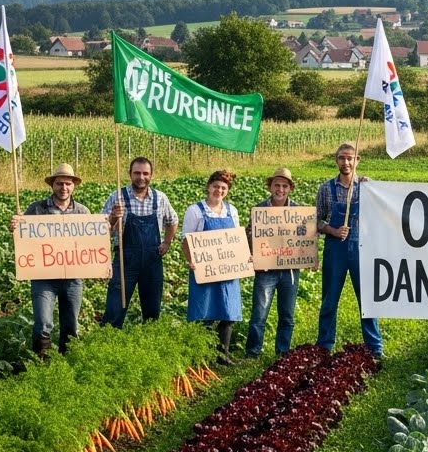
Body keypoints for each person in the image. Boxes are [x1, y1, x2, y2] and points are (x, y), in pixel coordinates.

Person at [11, 163, 91, 357]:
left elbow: (91, 242)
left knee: (71, 323)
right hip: (43, 277)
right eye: (59, 183)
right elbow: (23, 237)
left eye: (68, 184)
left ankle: (67, 359)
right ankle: (42, 362)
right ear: (52, 185)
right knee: (43, 322)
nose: (63, 188)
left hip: (72, 278)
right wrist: (15, 226)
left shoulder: (83, 212)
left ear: (74, 186)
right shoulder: (37, 209)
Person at [316, 143, 383, 358]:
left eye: (350, 158)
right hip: (335, 249)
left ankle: (375, 347)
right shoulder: (326, 189)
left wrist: (373, 188)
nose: (346, 162)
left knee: (367, 299)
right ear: (336, 160)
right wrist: (332, 230)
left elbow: (380, 214)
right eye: (342, 158)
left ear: (357, 160)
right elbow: (316, 221)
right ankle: (324, 346)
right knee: (329, 299)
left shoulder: (367, 187)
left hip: (360, 248)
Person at [244, 167, 313, 358]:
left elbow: (307, 236)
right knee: (259, 314)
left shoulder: (299, 211)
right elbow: (250, 234)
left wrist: (310, 256)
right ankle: (252, 353)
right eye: (277, 185)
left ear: (290, 188)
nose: (280, 189)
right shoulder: (260, 210)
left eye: (284, 186)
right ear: (270, 186)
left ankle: (282, 353)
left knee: (287, 315)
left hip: (290, 269)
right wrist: (251, 253)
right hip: (266, 269)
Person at [102, 156, 178, 327]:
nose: (141, 177)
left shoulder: (160, 198)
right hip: (124, 259)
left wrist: (166, 242)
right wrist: (113, 217)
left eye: (145, 173)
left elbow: (172, 220)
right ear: (130, 174)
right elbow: (103, 230)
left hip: (152, 261)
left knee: (152, 309)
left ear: (151, 175)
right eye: (137, 173)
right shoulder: (117, 197)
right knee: (115, 307)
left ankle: (149, 343)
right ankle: (110, 341)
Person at [181, 169, 243, 365]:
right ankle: (204, 355)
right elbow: (186, 240)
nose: (219, 190)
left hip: (227, 269)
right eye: (216, 186)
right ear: (208, 187)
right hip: (204, 268)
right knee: (205, 312)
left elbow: (236, 241)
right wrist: (190, 260)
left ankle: (222, 353)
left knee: (229, 311)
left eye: (223, 188)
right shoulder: (195, 211)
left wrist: (243, 259)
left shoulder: (231, 211)